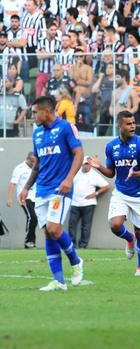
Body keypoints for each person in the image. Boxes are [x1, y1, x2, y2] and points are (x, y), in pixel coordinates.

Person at [18, 96, 84, 291]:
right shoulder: (37, 133)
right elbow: (38, 165)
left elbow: (79, 154)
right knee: (48, 233)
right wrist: (26, 187)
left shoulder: (65, 127)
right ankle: (59, 281)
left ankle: (76, 261)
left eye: (35, 112)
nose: (33, 116)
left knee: (55, 229)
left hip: (60, 189)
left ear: (47, 111)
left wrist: (69, 179)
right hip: (42, 190)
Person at [88, 110, 140, 277]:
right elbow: (111, 173)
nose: (132, 126)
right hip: (121, 193)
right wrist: (99, 166)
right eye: (128, 124)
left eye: (134, 123)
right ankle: (129, 239)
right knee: (115, 225)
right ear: (120, 126)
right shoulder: (111, 146)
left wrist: (135, 174)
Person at [68, 156, 110, 249]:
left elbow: (107, 186)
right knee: (72, 225)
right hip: (75, 203)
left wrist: (96, 193)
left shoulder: (94, 175)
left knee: (86, 226)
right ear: (82, 164)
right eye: (85, 164)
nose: (87, 166)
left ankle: (83, 245)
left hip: (88, 204)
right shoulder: (76, 173)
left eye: (88, 164)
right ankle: (72, 245)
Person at [7, 152, 38, 248]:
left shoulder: (36, 168)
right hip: (24, 198)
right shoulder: (19, 168)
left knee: (34, 219)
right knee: (32, 217)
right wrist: (10, 198)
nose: (33, 164)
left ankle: (31, 241)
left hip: (35, 197)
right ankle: (28, 241)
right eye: (32, 161)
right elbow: (13, 183)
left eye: (35, 162)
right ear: (27, 159)